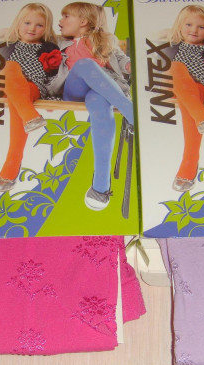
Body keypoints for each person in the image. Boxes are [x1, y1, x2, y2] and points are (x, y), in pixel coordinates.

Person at [58, 2, 135, 211]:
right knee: (86, 64)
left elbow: (124, 61)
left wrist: (132, 65)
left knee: (100, 103)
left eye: (66, 16)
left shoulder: (105, 42)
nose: (60, 21)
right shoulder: (59, 43)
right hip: (73, 90)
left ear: (83, 21)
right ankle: (131, 113)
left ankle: (101, 185)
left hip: (100, 92)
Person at [0, 3, 63, 193]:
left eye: (39, 25)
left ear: (46, 28)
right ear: (18, 23)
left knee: (17, 100)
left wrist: (53, 96)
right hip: (8, 86)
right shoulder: (8, 45)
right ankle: (30, 117)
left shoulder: (49, 48)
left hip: (33, 87)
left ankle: (12, 163)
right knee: (10, 67)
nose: (32, 28)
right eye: (27, 23)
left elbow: (54, 76)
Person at [166, 5, 204, 193]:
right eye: (189, 25)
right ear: (179, 26)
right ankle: (202, 118)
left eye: (201, 27)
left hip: (202, 89)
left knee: (189, 104)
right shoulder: (172, 48)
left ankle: (189, 164)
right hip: (177, 87)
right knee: (175, 68)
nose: (194, 30)